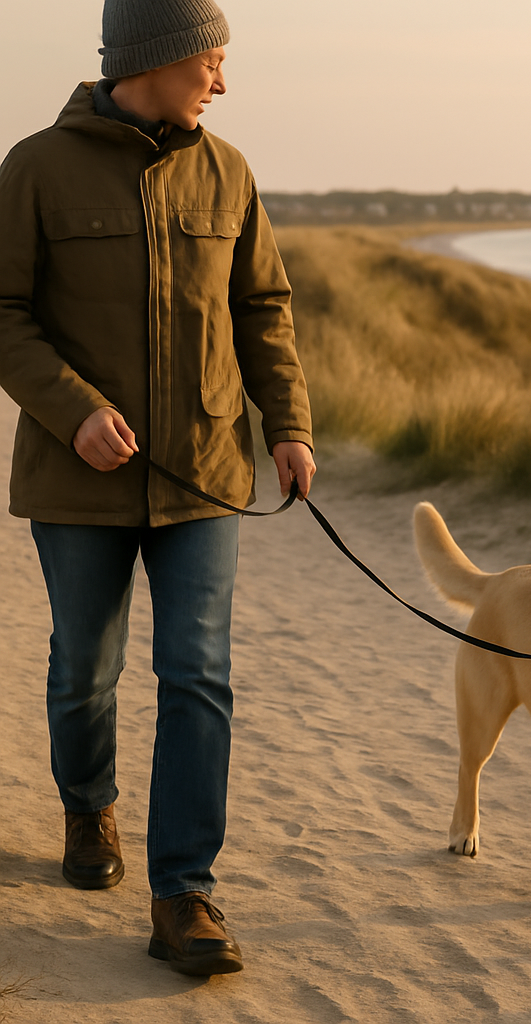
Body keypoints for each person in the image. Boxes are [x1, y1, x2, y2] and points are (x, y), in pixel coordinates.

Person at [0, 0, 315, 976]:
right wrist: (75, 409)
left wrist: (289, 424)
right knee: (83, 671)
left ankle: (184, 890)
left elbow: (262, 305)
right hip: (76, 480)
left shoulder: (228, 171)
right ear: (161, 57)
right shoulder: (35, 168)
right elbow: (4, 314)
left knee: (198, 672)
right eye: (212, 61)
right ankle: (90, 804)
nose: (222, 83)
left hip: (207, 474)